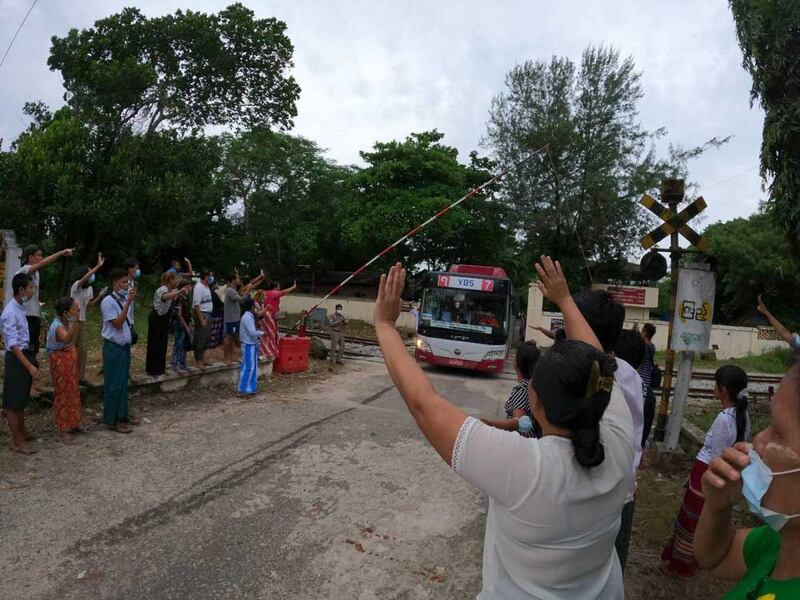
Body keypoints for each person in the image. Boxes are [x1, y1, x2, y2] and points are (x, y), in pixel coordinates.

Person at [374, 258, 634, 598]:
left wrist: (384, 325)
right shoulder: (619, 439)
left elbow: (424, 404)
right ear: (602, 391)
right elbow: (599, 364)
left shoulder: (525, 468)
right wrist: (566, 300)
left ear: (535, 402)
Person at [694, 361, 800, 599]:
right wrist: (716, 509)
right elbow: (714, 558)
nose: (760, 440)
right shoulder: (778, 541)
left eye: (779, 433)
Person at [573, 289, 643, 572]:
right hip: (622, 491)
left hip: (592, 497)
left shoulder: (588, 376)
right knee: (608, 572)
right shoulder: (630, 374)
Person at [662, 365, 751, 578]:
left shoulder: (724, 419)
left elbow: (717, 458)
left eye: (716, 385)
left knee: (693, 517)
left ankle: (684, 561)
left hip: (708, 472)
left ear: (722, 389)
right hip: (719, 473)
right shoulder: (741, 415)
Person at [1, 273, 40, 454]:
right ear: (21, 290)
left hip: (25, 353)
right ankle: (17, 441)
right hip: (17, 358)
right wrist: (28, 365)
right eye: (30, 288)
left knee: (21, 397)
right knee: (12, 402)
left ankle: (22, 432)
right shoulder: (9, 312)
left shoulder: (20, 307)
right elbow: (13, 344)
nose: (33, 291)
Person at [15, 244, 74, 353]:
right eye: (39, 255)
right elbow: (43, 263)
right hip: (26, 317)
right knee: (27, 349)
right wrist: (61, 253)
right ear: (30, 257)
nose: (41, 258)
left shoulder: (36, 273)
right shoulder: (24, 270)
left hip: (34, 316)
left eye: (42, 256)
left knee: (33, 349)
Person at [481, 340, 542, 438]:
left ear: (517, 363)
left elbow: (518, 422)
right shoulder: (535, 386)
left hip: (523, 443)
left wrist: (489, 423)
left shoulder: (522, 390)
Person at [101, 268, 137, 433]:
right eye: (123, 282)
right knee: (114, 384)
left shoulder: (126, 300)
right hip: (113, 348)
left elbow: (130, 322)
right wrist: (127, 303)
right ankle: (112, 419)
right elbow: (117, 323)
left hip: (124, 347)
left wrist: (129, 303)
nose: (126, 286)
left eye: (127, 282)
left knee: (122, 383)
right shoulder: (108, 302)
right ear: (114, 283)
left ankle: (122, 415)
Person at [46, 296, 83, 444]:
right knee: (63, 393)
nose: (76, 309)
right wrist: (76, 320)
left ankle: (73, 423)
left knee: (72, 391)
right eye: (74, 307)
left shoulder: (65, 321)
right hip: (60, 363)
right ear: (66, 311)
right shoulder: (57, 326)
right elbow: (67, 339)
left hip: (67, 362)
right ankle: (64, 429)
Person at [145, 271, 190, 377]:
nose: (177, 281)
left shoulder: (172, 290)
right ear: (170, 280)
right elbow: (165, 297)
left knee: (162, 344)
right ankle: (152, 370)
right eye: (175, 279)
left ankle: (160, 368)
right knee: (155, 344)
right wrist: (178, 292)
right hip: (157, 318)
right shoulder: (163, 289)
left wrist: (181, 292)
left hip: (164, 319)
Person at [70, 254, 107, 383]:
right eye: (89, 272)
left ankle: (80, 377)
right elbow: (83, 279)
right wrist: (97, 266)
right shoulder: (76, 285)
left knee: (82, 350)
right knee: (71, 349)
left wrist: (99, 296)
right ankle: (70, 375)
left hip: (83, 321)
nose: (91, 275)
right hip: (73, 321)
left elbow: (89, 305)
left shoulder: (89, 288)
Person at [223, 271, 265, 365]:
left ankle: (232, 355)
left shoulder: (234, 290)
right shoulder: (230, 290)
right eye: (237, 278)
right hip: (231, 318)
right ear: (233, 280)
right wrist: (248, 290)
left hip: (235, 317)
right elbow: (241, 300)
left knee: (233, 337)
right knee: (228, 337)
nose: (239, 280)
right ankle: (226, 357)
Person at [262, 281, 296, 359]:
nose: (280, 287)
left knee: (268, 334)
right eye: (279, 285)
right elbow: (284, 292)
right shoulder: (274, 293)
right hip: (270, 315)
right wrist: (293, 287)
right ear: (275, 286)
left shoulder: (267, 293)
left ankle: (268, 351)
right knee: (272, 334)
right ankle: (272, 352)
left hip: (267, 315)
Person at [238, 297, 263, 396]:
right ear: (252, 306)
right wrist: (262, 333)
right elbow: (252, 333)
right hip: (248, 344)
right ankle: (243, 388)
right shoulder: (247, 317)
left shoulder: (249, 316)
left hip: (252, 344)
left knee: (253, 367)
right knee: (248, 367)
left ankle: (250, 387)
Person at [639, 323, 658, 448]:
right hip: (648, 383)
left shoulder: (643, 347)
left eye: (642, 330)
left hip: (640, 382)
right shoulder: (653, 346)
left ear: (645, 332)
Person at [192, 270, 214, 368]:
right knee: (200, 337)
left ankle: (203, 358)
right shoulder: (198, 287)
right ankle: (198, 360)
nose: (211, 278)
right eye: (210, 276)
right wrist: (201, 320)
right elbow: (196, 305)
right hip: (202, 314)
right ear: (206, 276)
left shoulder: (207, 286)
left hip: (208, 314)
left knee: (206, 338)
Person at [171, 278, 193, 373]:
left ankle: (182, 362)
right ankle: (176, 363)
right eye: (189, 286)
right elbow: (179, 314)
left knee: (184, 344)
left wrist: (190, 323)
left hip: (186, 322)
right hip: (180, 324)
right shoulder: (179, 298)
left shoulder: (186, 297)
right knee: (178, 343)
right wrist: (186, 326)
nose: (191, 288)